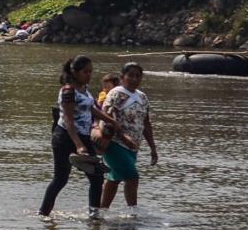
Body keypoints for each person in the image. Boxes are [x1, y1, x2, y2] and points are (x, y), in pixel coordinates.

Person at [94, 60, 162, 212]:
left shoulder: (143, 97)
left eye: (138, 76)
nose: (134, 79)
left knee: (114, 179)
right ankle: (133, 213)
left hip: (133, 147)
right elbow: (107, 117)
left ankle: (100, 211)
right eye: (130, 75)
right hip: (116, 144)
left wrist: (153, 148)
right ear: (122, 76)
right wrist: (123, 137)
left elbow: (146, 123)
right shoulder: (116, 93)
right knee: (132, 177)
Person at [40, 56, 104, 218]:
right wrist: (79, 145)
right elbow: (68, 120)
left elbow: (90, 108)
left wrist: (110, 121)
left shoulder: (84, 88)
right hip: (65, 137)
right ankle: (43, 214)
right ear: (74, 72)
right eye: (85, 72)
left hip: (83, 135)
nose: (89, 75)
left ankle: (94, 216)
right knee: (61, 179)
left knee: (97, 177)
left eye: (91, 72)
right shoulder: (68, 90)